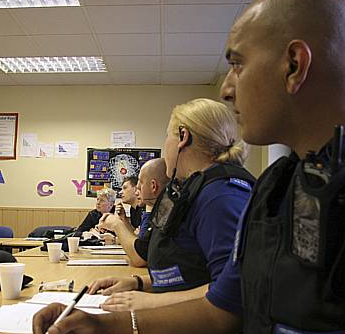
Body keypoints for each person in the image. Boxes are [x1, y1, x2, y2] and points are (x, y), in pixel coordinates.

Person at [32, 0, 345, 334]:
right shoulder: (279, 184)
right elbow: (224, 308)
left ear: (294, 65)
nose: (226, 87)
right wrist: (102, 326)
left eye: (238, 64)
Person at [91, 98, 254, 314]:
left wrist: (150, 302)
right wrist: (139, 284)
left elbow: (233, 288)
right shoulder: (193, 189)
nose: (165, 144)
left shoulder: (220, 195)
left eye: (167, 135)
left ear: (183, 137)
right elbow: (191, 273)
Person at [93, 158, 168, 268]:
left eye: (141, 183)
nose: (138, 188)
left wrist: (116, 224)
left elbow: (141, 257)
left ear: (153, 186)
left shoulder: (163, 213)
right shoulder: (151, 210)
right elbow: (140, 243)